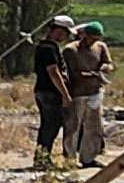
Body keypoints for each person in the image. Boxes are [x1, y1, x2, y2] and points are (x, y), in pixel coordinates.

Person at [29, 15, 77, 170]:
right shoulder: (50, 48)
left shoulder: (42, 46)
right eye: (66, 33)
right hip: (50, 92)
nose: (66, 37)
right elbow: (53, 72)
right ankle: (42, 160)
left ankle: (42, 157)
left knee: (48, 125)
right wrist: (65, 94)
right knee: (51, 126)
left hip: (42, 90)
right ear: (59, 30)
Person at [63, 19, 113, 167]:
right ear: (83, 35)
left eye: (96, 39)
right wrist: (92, 75)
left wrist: (105, 68)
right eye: (90, 38)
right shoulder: (71, 50)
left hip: (95, 93)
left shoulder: (101, 47)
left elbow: (109, 63)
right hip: (77, 93)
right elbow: (73, 73)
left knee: (94, 127)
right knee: (73, 127)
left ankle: (88, 158)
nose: (92, 42)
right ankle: (69, 159)